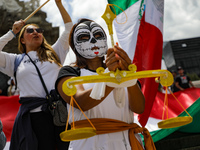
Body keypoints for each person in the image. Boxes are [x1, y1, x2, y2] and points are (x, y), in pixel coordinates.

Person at [56, 18, 155, 150]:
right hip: (90, 144)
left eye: (98, 35)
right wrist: (111, 78)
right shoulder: (70, 72)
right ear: (75, 45)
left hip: (126, 142)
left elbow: (139, 107)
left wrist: (128, 77)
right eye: (84, 37)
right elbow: (81, 102)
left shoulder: (121, 71)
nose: (93, 41)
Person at [0, 0, 72, 149]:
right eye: (30, 31)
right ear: (22, 39)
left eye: (39, 30)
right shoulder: (15, 61)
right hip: (34, 118)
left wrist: (59, 3)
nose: (36, 32)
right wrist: (11, 32)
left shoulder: (55, 53)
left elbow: (70, 29)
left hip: (59, 114)